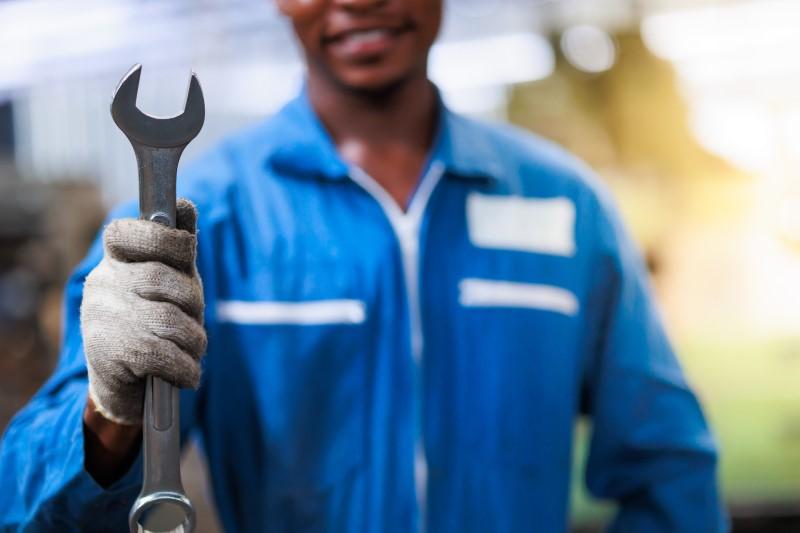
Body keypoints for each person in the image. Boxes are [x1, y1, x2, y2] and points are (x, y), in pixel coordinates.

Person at [0, 0, 727, 531]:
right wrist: (109, 414)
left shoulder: (569, 207)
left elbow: (671, 469)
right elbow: (23, 509)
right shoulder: (197, 221)